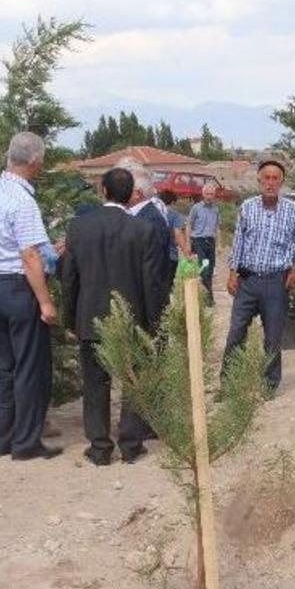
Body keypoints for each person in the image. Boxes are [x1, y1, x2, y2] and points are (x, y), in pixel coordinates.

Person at [62, 168, 166, 465]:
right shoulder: (142, 230)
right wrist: (153, 325)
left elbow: (70, 278)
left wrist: (71, 320)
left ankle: (100, 447)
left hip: (91, 318)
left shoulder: (79, 228)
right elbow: (152, 283)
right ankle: (131, 444)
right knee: (133, 380)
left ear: (103, 191)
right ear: (131, 193)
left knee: (95, 383)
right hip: (131, 320)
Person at [0, 132, 61, 460]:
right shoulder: (23, 200)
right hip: (18, 287)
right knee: (29, 366)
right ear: (35, 162)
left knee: (4, 367)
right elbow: (30, 256)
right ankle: (26, 443)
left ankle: (4, 438)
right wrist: (45, 301)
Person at [224, 160, 295, 392]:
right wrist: (233, 272)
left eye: (275, 179)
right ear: (259, 180)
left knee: (273, 338)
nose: (270, 183)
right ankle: (229, 384)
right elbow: (239, 242)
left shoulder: (292, 210)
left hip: (276, 283)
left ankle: (269, 385)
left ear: (282, 182)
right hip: (248, 280)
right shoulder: (247, 207)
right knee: (236, 333)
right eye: (267, 178)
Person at [117, 161, 174, 300]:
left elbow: (153, 268)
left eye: (126, 188)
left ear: (137, 193)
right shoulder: (142, 215)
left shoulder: (149, 220)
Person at [188, 183, 221, 302]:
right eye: (207, 194)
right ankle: (209, 297)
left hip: (210, 241)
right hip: (199, 240)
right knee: (204, 268)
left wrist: (219, 245)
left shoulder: (216, 209)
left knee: (210, 268)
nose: (209, 196)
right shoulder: (196, 208)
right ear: (203, 194)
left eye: (211, 194)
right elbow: (189, 225)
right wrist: (188, 244)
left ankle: (206, 295)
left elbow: (217, 228)